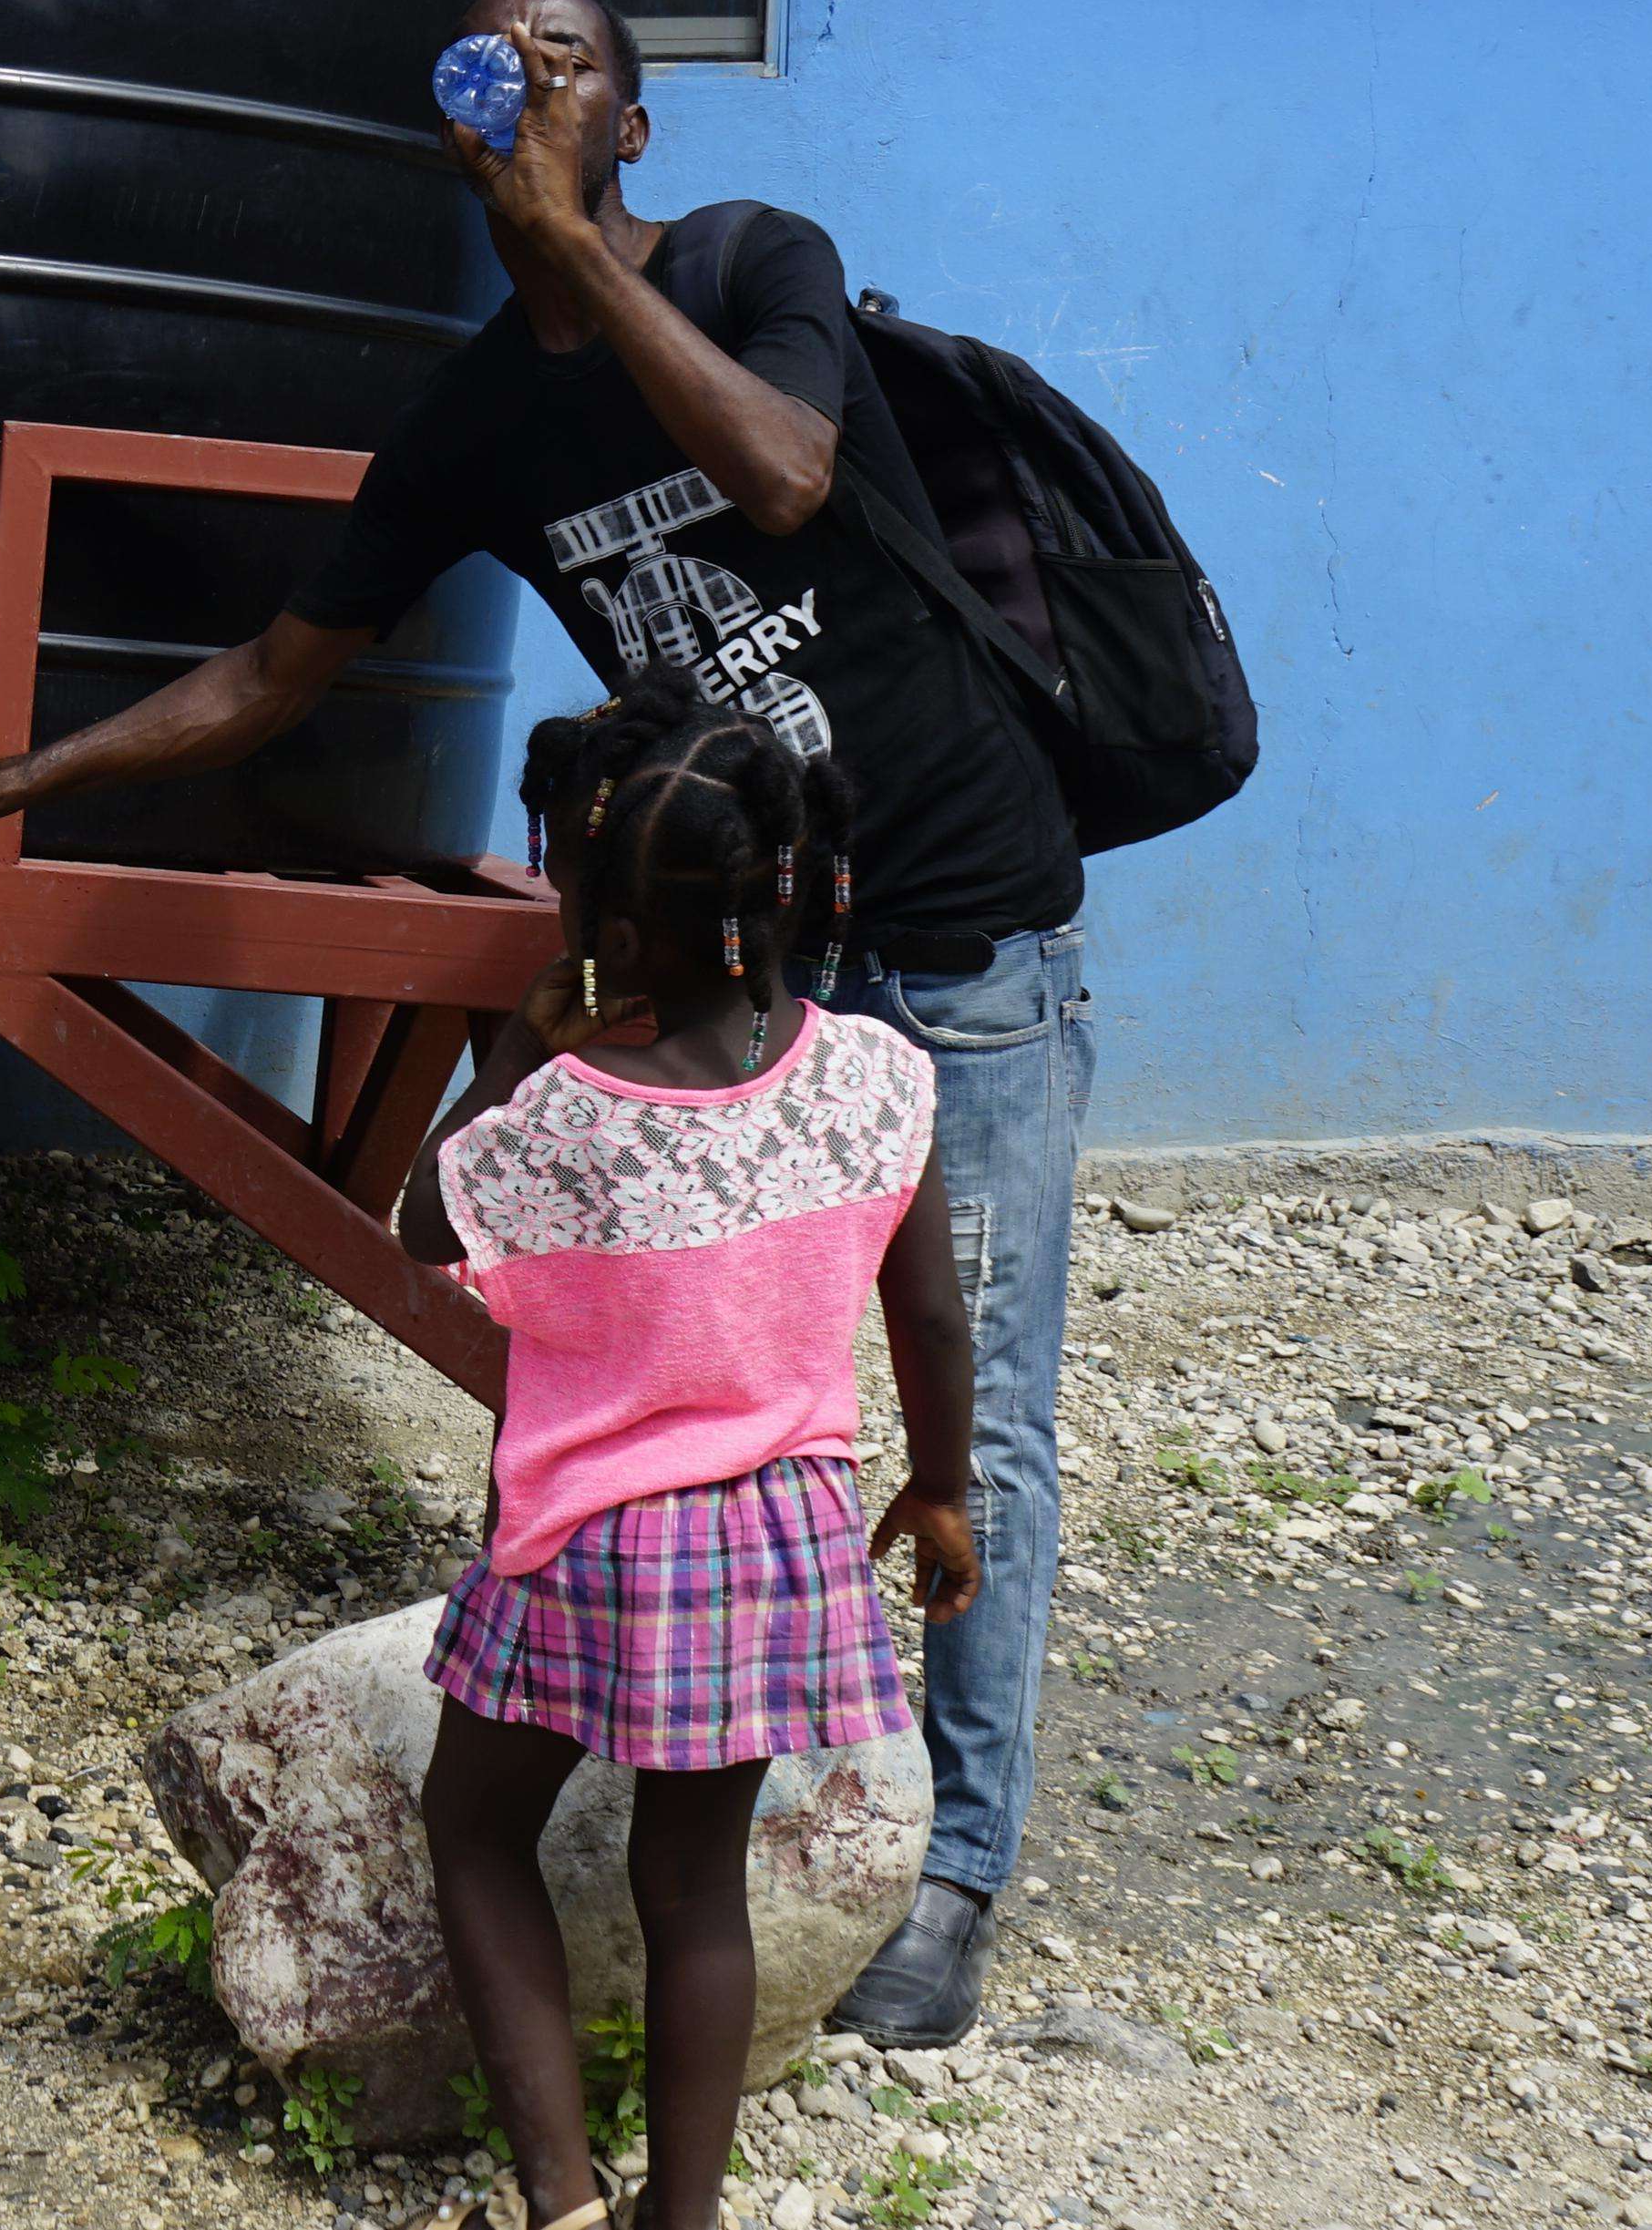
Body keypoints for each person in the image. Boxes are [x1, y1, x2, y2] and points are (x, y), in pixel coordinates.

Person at [0, 0, 1095, 2042]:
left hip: (961, 937)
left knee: (979, 1407)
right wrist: (8, 784)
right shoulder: (473, 414)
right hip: (747, 969)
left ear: (630, 122)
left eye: (567, 63)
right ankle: (746, 1797)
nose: (526, 90)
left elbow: (781, 472)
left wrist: (568, 261)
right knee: (714, 1397)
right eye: (489, 69)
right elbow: (269, 674)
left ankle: (950, 1866)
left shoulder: (751, 261)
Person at [401, 669, 977, 2230]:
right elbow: (924, 1315)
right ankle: (684, 2214)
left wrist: (520, 1045)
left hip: (587, 1534)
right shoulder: (873, 1080)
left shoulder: (573, 1113)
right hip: (777, 1534)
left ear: (617, 932)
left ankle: (559, 2200)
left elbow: (423, 1219)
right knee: (691, 1890)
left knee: (470, 1821)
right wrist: (935, 1484)